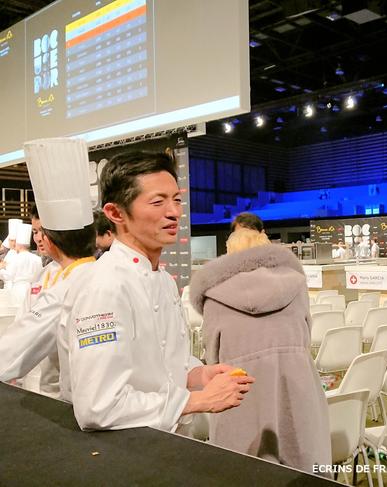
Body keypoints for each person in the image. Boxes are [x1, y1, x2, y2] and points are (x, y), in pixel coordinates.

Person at [58, 151, 255, 431]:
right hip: (123, 449)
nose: (174, 212)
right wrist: (197, 400)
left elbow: (161, 364)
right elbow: (98, 407)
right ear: (115, 213)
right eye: (157, 202)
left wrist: (197, 374)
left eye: (176, 200)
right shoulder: (104, 286)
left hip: (165, 440)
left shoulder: (163, 280)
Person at [189, 227, 331, 471]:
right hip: (297, 385)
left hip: (240, 391)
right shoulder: (296, 285)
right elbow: (306, 334)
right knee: (303, 467)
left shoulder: (214, 296)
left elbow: (213, 355)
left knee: (244, 471)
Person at [0, 138, 97, 399]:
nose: (39, 238)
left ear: (52, 237)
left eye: (42, 231)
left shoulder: (68, 288)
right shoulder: (98, 274)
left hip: (70, 400)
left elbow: (12, 352)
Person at [0, 223, 42, 304]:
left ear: (18, 244)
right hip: (33, 291)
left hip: (17, 290)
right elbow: (40, 277)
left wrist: (1, 269)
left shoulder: (15, 258)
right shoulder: (37, 259)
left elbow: (9, 276)